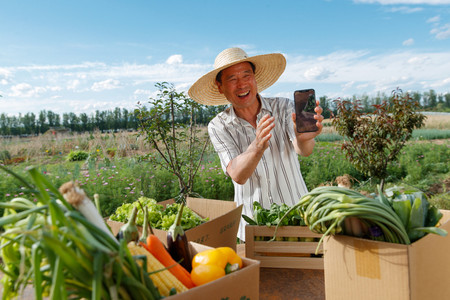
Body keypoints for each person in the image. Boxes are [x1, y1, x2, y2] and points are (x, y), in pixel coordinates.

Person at [188, 47, 324, 241]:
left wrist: (305, 138)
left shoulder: (283, 106)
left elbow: (304, 151)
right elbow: (237, 174)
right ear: (220, 87)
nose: (242, 84)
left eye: (246, 75)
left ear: (255, 78)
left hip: (298, 218)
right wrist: (256, 146)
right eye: (232, 79)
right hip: (254, 227)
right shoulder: (219, 126)